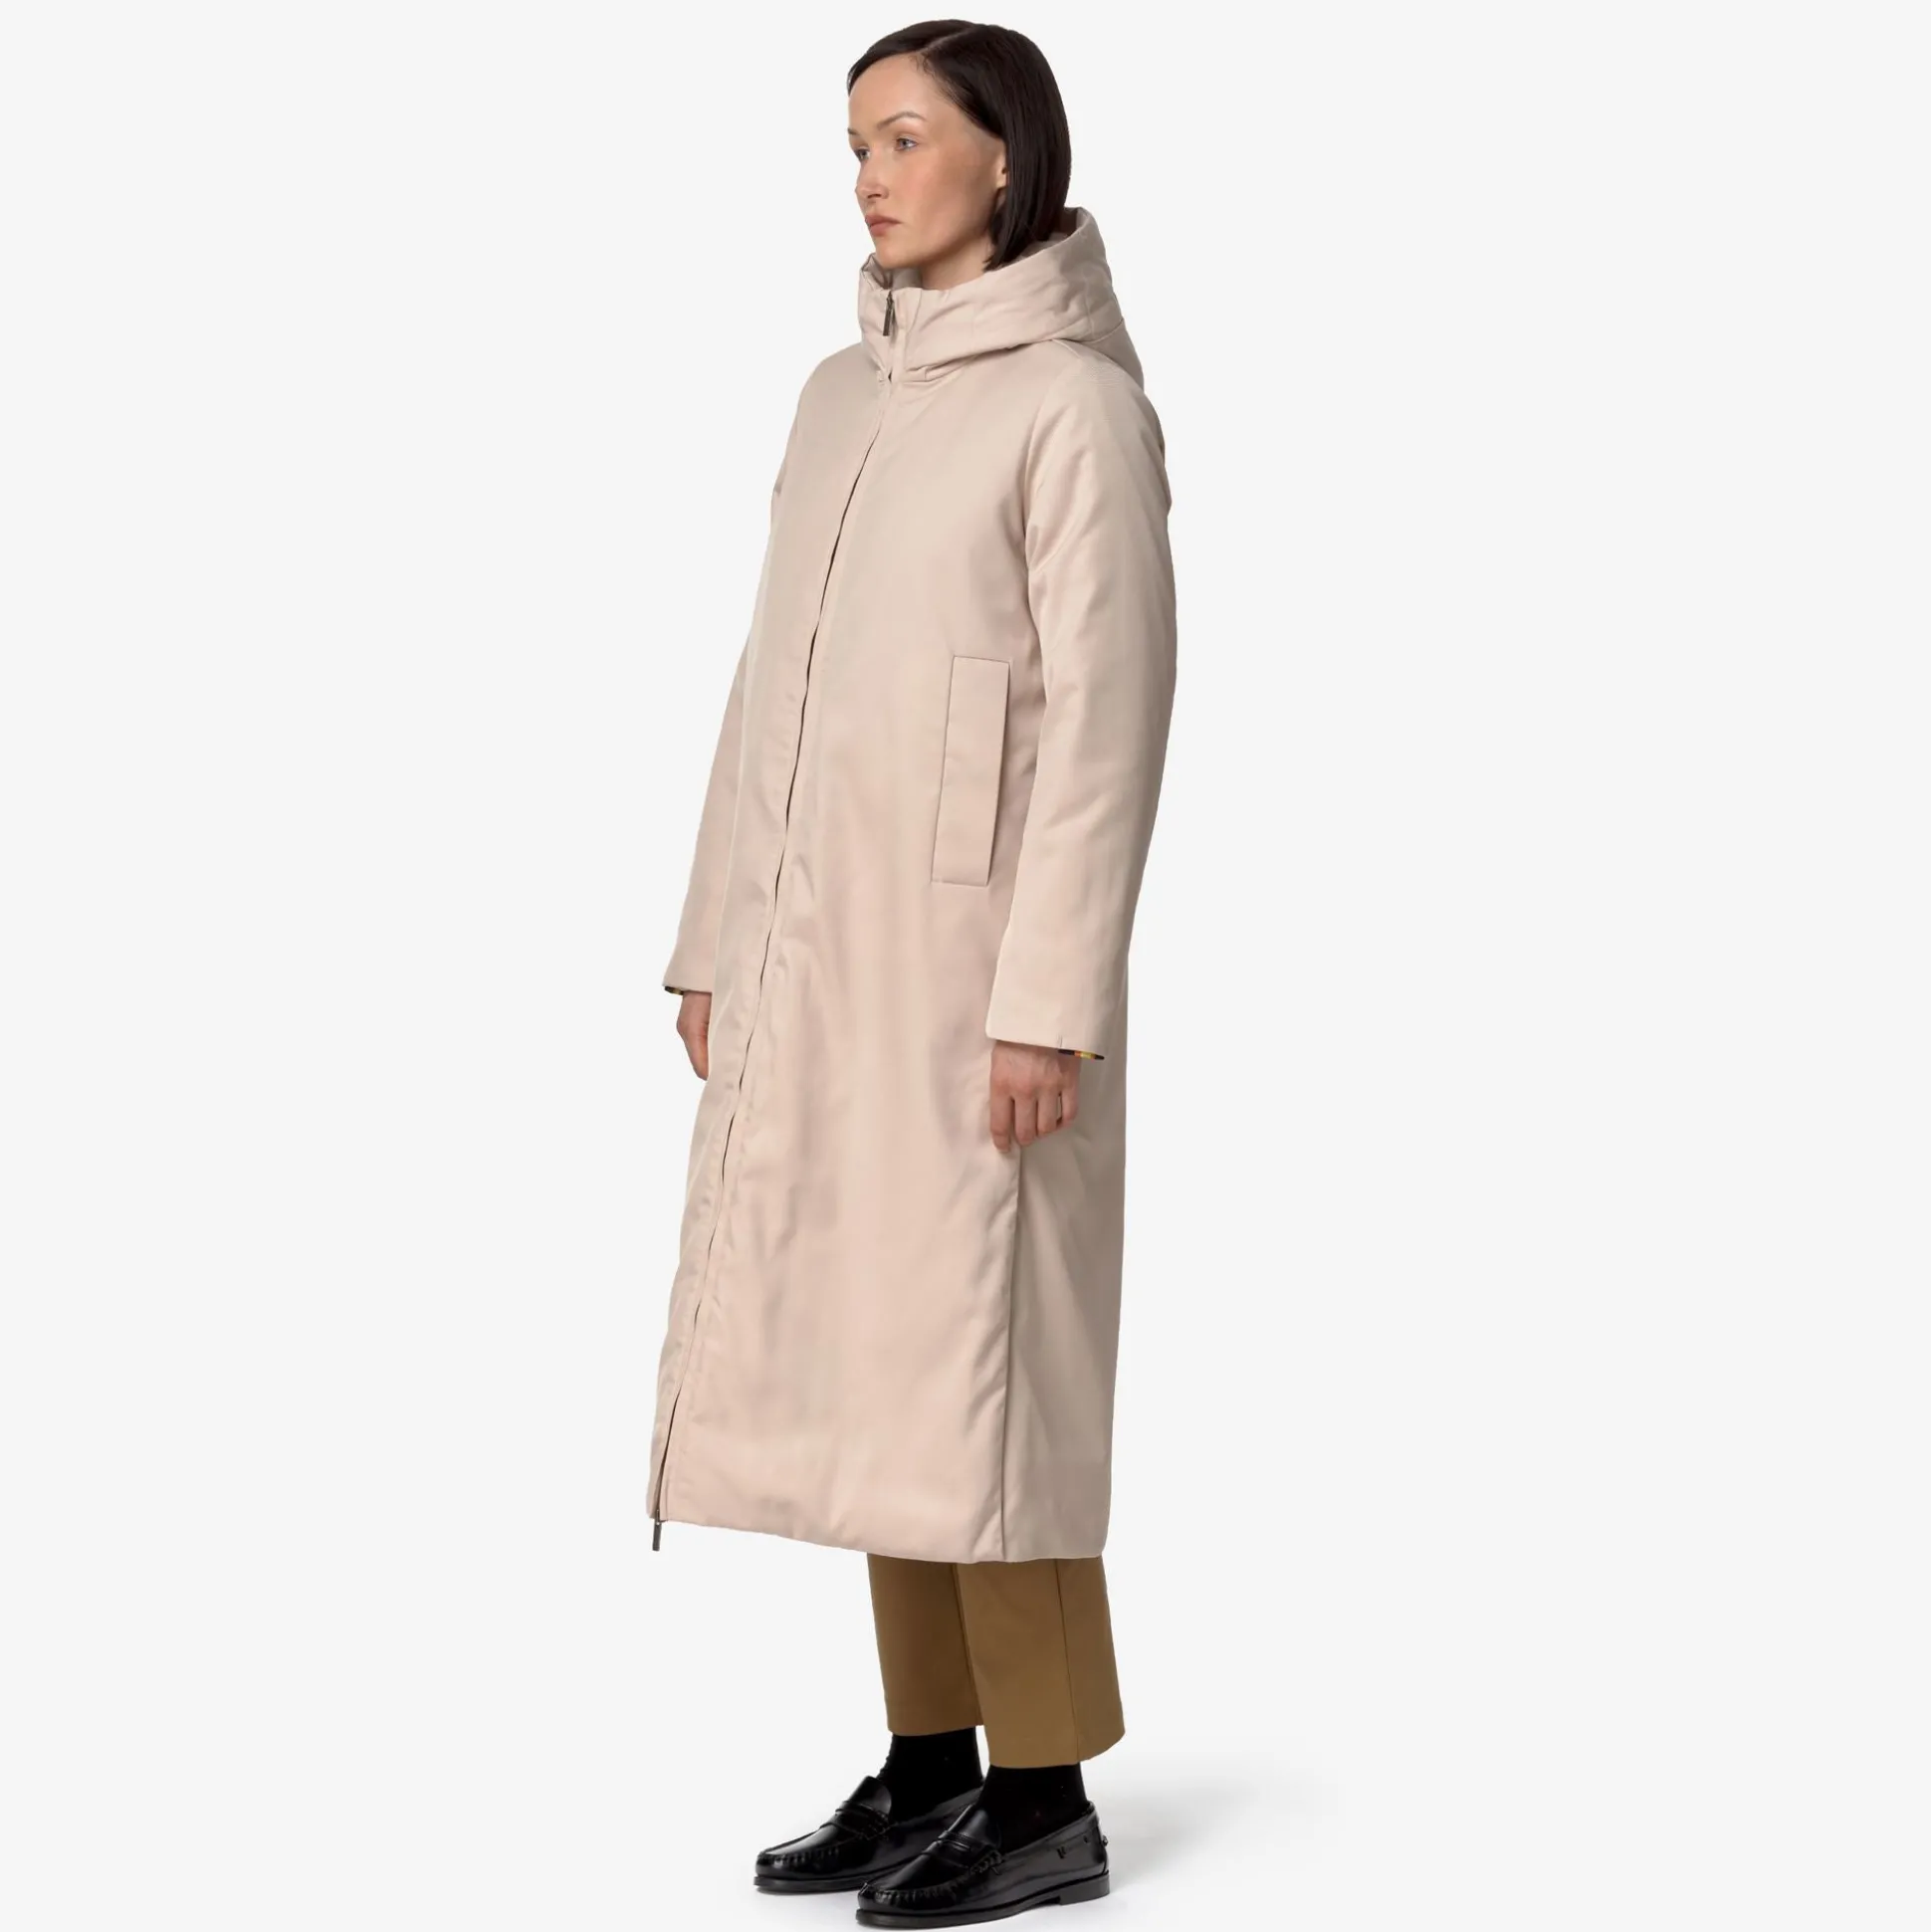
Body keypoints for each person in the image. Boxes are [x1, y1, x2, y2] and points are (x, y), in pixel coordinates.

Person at [650, 22, 1178, 1925]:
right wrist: (715, 938)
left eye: (903, 138)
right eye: (853, 143)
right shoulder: (837, 397)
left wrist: (1050, 1001)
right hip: (826, 957)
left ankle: (1045, 1796)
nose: (867, 176)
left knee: (987, 1363)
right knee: (890, 1358)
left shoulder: (1075, 410)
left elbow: (1108, 729)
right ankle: (933, 1761)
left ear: (1004, 158)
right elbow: (766, 687)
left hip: (977, 984)